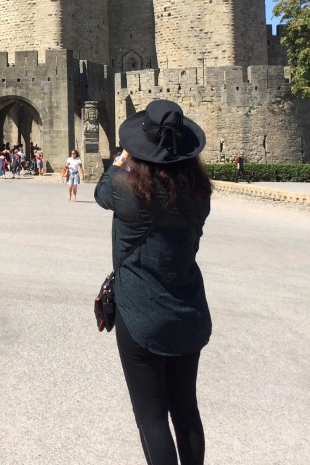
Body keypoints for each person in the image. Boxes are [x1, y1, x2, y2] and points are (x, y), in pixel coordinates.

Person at [94, 99, 212, 465]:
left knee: (151, 417)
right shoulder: (199, 193)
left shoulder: (124, 189)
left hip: (140, 311)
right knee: (185, 409)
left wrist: (120, 160)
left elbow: (101, 191)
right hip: (188, 306)